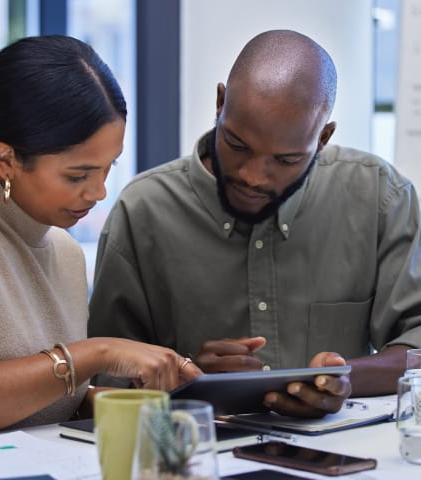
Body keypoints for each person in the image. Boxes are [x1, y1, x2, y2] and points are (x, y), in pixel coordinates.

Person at [89, 29, 421, 417]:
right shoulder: (143, 210)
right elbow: (99, 378)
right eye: (237, 144)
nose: (253, 176)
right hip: (191, 461)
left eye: (285, 160)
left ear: (324, 137)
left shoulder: (378, 196)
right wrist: (184, 376)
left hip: (342, 459)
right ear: (219, 103)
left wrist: (342, 379)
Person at [0, 35, 201, 442]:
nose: (99, 192)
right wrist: (96, 354)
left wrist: (124, 404)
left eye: (107, 168)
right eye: (78, 175)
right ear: (6, 159)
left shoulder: (64, 251)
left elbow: (41, 402)